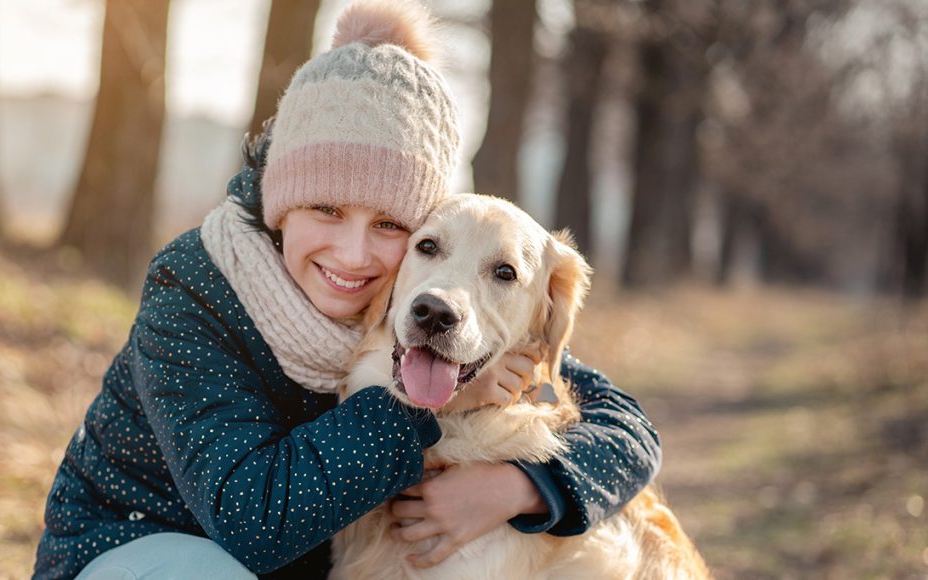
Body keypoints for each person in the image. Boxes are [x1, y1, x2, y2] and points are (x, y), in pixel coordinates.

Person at [33, 2, 661, 579]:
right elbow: (254, 522)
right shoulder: (195, 292)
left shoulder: (421, 309)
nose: (354, 254)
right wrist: (441, 405)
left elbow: (630, 430)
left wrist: (523, 487)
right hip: (138, 553)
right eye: (326, 209)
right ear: (281, 203)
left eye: (390, 225)